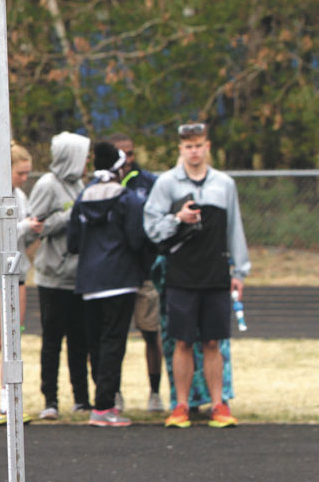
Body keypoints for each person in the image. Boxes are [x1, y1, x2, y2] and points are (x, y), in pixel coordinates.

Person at [143, 121, 249, 429]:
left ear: (207, 147)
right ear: (180, 149)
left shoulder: (224, 184)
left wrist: (239, 271)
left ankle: (218, 404)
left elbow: (235, 229)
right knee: (183, 341)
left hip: (215, 271)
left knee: (213, 341)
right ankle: (181, 405)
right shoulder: (167, 183)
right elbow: (151, 228)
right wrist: (178, 218)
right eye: (188, 146)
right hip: (181, 272)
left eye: (199, 145)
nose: (194, 152)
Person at [67, 142, 147, 427]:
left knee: (96, 344)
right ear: (118, 168)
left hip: (89, 281)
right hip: (120, 280)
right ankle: (104, 406)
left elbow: (73, 243)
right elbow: (137, 239)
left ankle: (100, 402)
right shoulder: (128, 199)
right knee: (114, 343)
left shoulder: (83, 198)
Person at [0, 143, 43, 425]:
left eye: (27, 173)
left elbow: (22, 235)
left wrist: (34, 229)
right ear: (5, 170)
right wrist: (23, 227)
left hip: (18, 273)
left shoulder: (21, 196)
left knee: (13, 341)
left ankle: (8, 403)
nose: (24, 178)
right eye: (20, 173)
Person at [27, 131, 92, 420]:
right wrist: (71, 216)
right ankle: (50, 400)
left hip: (78, 276)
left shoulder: (78, 184)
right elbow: (36, 225)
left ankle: (81, 398)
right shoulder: (47, 185)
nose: (87, 162)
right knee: (52, 340)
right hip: (53, 276)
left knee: (80, 341)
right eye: (84, 156)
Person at [109, 132, 164, 413]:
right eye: (122, 155)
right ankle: (114, 392)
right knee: (115, 337)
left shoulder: (149, 182)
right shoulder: (103, 184)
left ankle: (155, 392)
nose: (128, 160)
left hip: (144, 272)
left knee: (151, 333)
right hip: (115, 275)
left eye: (131, 153)